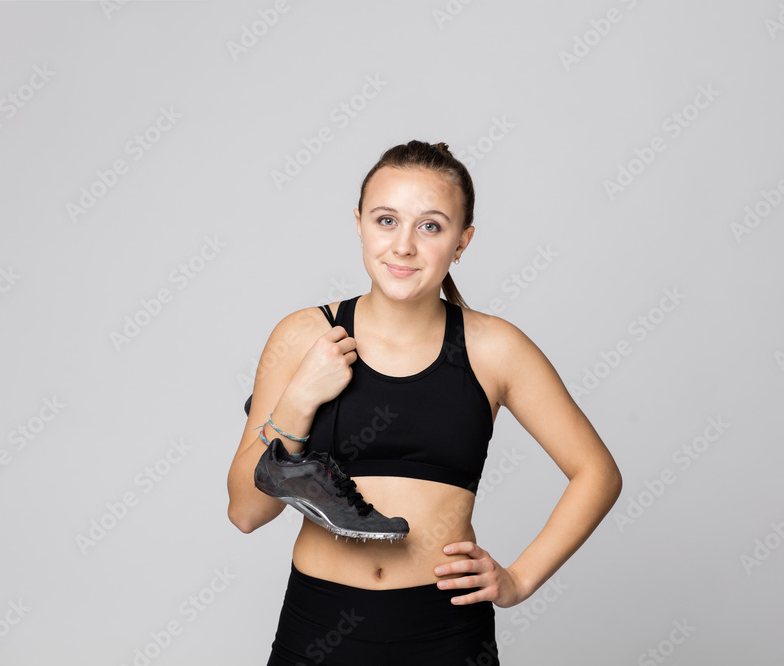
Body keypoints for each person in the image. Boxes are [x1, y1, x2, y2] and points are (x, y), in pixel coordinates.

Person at [227, 140, 623, 665]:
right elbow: (246, 512)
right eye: (386, 220)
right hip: (318, 626)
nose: (404, 246)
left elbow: (597, 473)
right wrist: (299, 398)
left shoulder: (494, 348)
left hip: (446, 633)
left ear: (462, 242)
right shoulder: (303, 336)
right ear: (360, 224)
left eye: (431, 226)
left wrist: (519, 579)